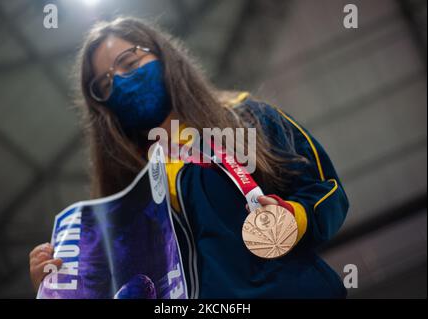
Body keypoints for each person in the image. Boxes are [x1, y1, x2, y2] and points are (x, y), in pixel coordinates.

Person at [29, 17, 349, 298]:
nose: (121, 80)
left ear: (163, 55)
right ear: (102, 105)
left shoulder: (246, 118)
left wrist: (294, 218)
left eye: (129, 62)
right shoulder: (124, 198)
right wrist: (61, 287)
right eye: (105, 83)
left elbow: (326, 189)